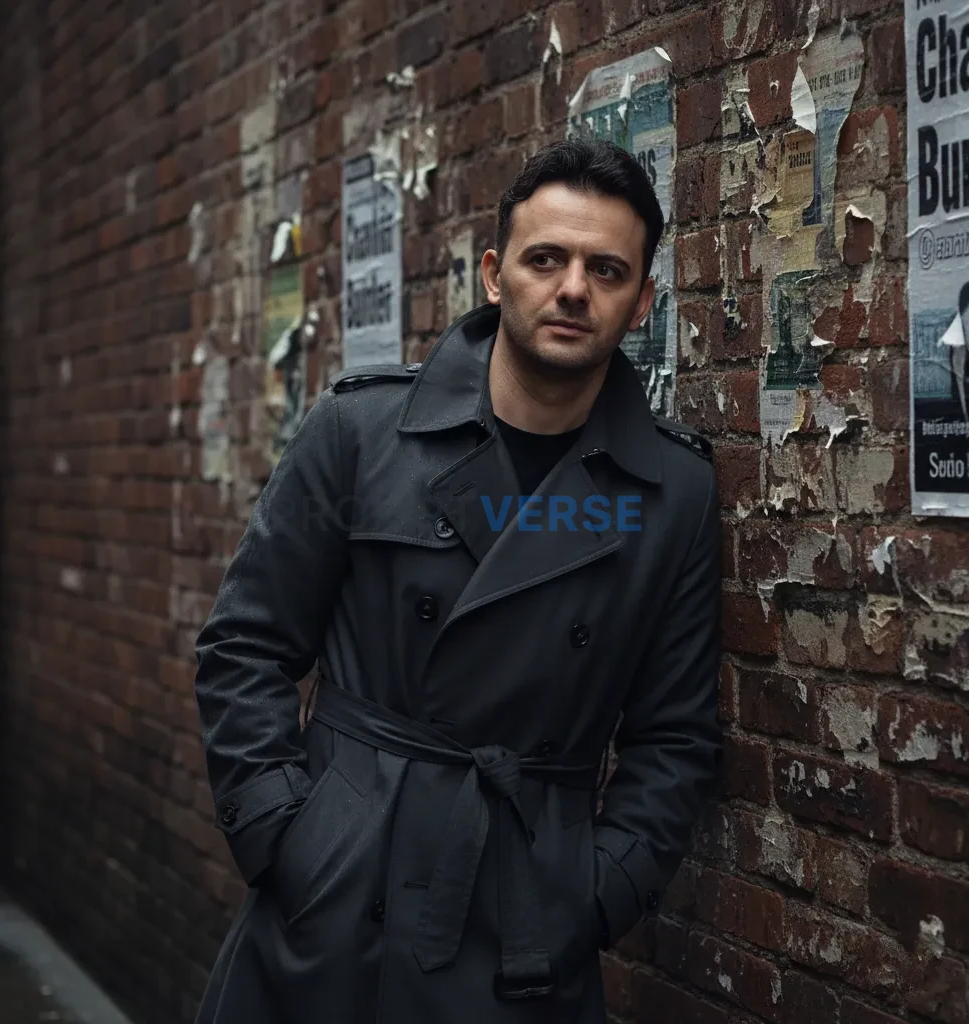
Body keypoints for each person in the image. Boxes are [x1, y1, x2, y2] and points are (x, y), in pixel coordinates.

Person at [192, 136, 723, 1024]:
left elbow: (675, 736)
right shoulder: (363, 432)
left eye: (606, 269)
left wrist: (596, 894)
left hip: (524, 913)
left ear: (641, 303)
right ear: (493, 275)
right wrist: (287, 837)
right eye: (545, 259)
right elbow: (244, 644)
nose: (572, 289)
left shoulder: (672, 491)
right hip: (336, 895)